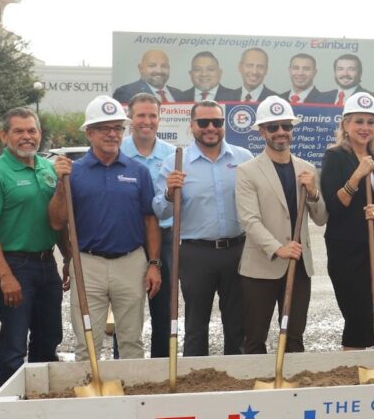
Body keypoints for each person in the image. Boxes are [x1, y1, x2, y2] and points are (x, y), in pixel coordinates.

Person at [48, 96, 162, 361]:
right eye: (104, 128)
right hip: (88, 264)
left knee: (132, 342)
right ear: (89, 133)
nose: (112, 134)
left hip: (131, 262)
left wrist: (154, 263)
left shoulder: (138, 171)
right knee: (87, 344)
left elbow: (150, 220)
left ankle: (131, 389)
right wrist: (61, 184)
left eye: (117, 128)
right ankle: (91, 388)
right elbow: (56, 222)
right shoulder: (74, 172)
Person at [155, 100, 254, 355]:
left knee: (238, 323)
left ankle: (236, 374)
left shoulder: (243, 158)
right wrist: (169, 193)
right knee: (196, 324)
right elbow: (160, 212)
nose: (211, 127)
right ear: (192, 126)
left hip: (237, 251)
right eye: (203, 122)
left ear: (223, 125)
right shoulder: (175, 163)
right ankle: (195, 375)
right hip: (195, 254)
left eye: (217, 122)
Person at [0, 108, 63, 386]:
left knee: (49, 338)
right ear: (4, 136)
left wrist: (69, 259)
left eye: (31, 130)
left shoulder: (49, 169)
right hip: (14, 266)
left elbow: (58, 220)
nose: (27, 136)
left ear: (40, 134)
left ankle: (40, 400)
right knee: (14, 344)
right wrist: (5, 275)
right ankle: (9, 404)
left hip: (47, 263)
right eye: (18, 131)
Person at [235, 96, 326, 354]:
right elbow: (249, 220)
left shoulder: (307, 169)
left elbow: (321, 218)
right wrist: (278, 248)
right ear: (262, 132)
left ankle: (293, 380)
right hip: (261, 268)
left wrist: (313, 193)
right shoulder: (247, 171)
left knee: (294, 337)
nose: (281, 132)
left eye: (286, 126)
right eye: (273, 127)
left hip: (299, 267)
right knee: (255, 338)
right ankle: (258, 380)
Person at [320, 93, 374, 348]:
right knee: (356, 315)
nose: (365, 128)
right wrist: (357, 176)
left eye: (370, 122)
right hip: (346, 250)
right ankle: (352, 365)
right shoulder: (334, 157)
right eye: (359, 121)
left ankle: (373, 363)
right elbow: (334, 205)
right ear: (345, 125)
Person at [121, 93, 176, 357]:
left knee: (164, 311)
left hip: (165, 238)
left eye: (152, 115)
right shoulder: (117, 152)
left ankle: (162, 368)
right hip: (128, 238)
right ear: (130, 118)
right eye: (141, 115)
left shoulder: (173, 155)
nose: (147, 121)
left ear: (159, 118)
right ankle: (124, 368)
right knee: (125, 310)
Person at [112, 49, 187, 103]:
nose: (159, 71)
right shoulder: (125, 93)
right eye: (152, 65)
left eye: (164, 66)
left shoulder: (180, 95)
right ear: (141, 68)